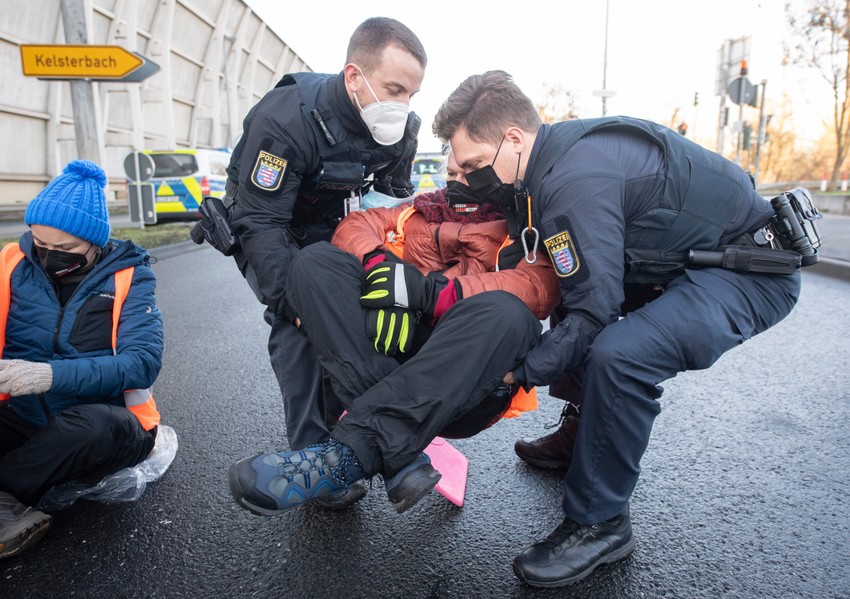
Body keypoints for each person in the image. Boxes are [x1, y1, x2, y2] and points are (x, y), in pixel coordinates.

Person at [431, 70, 816, 588]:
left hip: (749, 272)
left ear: (514, 139)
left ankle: (601, 522)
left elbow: (595, 313)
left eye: (475, 165)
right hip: (680, 260)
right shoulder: (540, 169)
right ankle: (581, 437)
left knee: (620, 354)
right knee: (574, 294)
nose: (469, 178)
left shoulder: (573, 180)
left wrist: (514, 374)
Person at [227, 151, 561, 515]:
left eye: (469, 171)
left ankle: (352, 453)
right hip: (393, 354)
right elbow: (356, 224)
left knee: (509, 314)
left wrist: (425, 294)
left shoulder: (525, 227)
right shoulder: (417, 210)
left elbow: (537, 287)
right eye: (451, 172)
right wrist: (380, 267)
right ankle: (397, 455)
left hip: (464, 381)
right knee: (315, 262)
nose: (457, 181)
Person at [190, 17, 427, 509]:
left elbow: (395, 207)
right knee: (299, 328)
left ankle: (352, 427)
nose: (402, 104)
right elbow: (261, 222)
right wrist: (293, 303)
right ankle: (313, 454)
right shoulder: (286, 118)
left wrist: (393, 273)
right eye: (393, 89)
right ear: (354, 76)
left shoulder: (402, 130)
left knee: (360, 316)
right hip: (267, 225)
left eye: (411, 93)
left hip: (334, 228)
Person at [0, 160, 164, 559]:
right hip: (24, 417)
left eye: (65, 249)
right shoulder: (12, 264)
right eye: (40, 243)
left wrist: (48, 376)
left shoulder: (131, 278)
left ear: (94, 244)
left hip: (105, 424)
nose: (48, 256)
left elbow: (141, 362)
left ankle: (8, 492)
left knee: (94, 427)